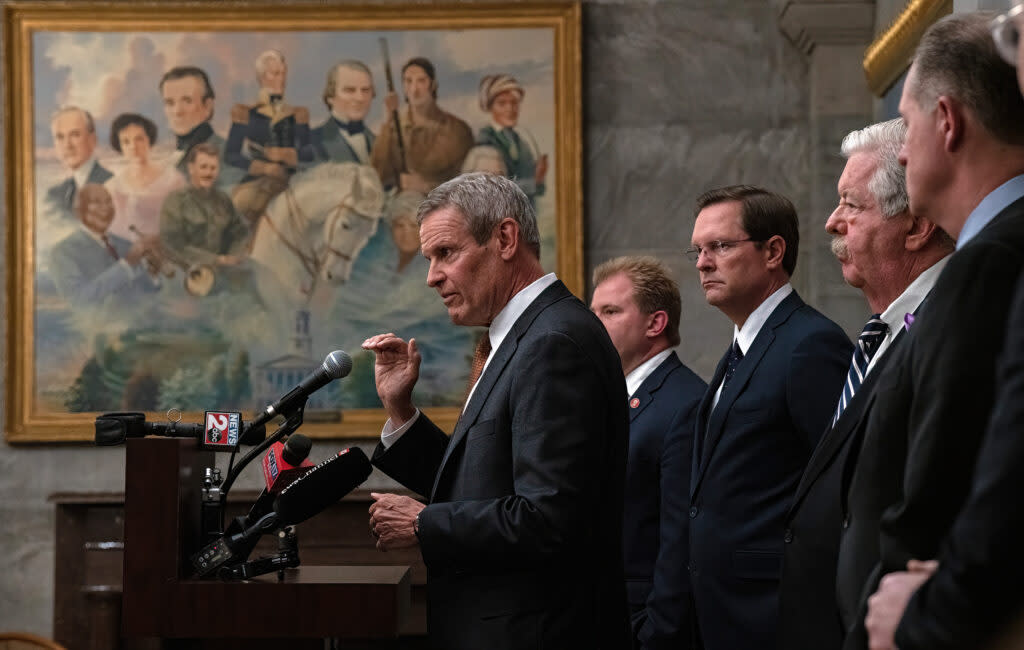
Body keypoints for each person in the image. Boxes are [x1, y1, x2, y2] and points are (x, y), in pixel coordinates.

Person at [363, 172, 629, 649]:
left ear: (505, 239)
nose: (431, 277)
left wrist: (424, 523)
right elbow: (480, 485)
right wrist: (401, 412)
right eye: (429, 259)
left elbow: (548, 520)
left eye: (446, 253)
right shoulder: (519, 336)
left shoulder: (553, 342)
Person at [831, 11, 1024, 650]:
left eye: (907, 126)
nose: (904, 150)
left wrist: (915, 619)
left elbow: (953, 487)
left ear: (947, 122)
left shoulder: (991, 261)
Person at [777, 119, 953, 650]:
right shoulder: (881, 334)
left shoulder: (947, 327)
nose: (832, 222)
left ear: (917, 225)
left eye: (852, 205)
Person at [686, 185, 852, 650]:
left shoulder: (810, 344)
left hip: (775, 614)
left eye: (719, 246)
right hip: (721, 614)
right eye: (698, 250)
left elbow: (840, 490)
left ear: (773, 250)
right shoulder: (741, 348)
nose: (702, 263)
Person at [590, 255, 706, 650]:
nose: (594, 324)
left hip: (642, 627)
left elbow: (680, 541)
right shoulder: (610, 397)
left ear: (655, 323)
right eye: (594, 312)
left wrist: (655, 635)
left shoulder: (684, 403)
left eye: (609, 311)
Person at [225, 49, 313, 221]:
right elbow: (231, 155)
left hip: (294, 179)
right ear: (263, 77)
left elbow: (309, 152)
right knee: (243, 207)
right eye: (276, 73)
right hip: (259, 181)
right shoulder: (245, 113)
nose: (282, 79)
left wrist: (288, 155)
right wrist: (265, 168)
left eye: (283, 73)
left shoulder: (298, 114)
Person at [370, 57, 474, 193]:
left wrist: (427, 187)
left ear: (433, 84)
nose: (414, 89)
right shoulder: (393, 129)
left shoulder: (457, 129)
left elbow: (468, 182)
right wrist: (388, 121)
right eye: (408, 81)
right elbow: (377, 175)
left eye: (421, 81)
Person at [49, 183, 161, 308]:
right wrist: (127, 264)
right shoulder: (63, 252)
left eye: (109, 201)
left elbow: (146, 294)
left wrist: (152, 274)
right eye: (97, 202)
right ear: (79, 210)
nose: (106, 208)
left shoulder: (126, 245)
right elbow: (78, 301)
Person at [159, 142, 250, 277]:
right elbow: (173, 245)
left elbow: (241, 231)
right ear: (191, 168)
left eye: (213, 168)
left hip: (222, 272)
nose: (208, 173)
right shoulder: (175, 201)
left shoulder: (223, 199)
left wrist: (233, 256)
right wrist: (215, 260)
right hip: (186, 273)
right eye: (203, 167)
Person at [159, 65, 242, 190]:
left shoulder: (229, 156)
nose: (177, 111)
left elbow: (230, 205)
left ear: (207, 106)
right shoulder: (166, 158)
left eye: (187, 101)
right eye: (170, 103)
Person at [104, 112, 185, 240]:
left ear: (149, 140)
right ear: (120, 147)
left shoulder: (172, 179)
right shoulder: (113, 187)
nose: (133, 147)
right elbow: (115, 233)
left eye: (139, 139)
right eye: (126, 142)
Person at [475, 74, 548, 208]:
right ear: (491, 107)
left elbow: (538, 189)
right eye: (502, 103)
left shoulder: (522, 142)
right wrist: (534, 182)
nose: (510, 109)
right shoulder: (484, 142)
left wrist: (539, 178)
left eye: (514, 103)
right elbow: (493, 190)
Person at [46, 106, 112, 217]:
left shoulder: (112, 187)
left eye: (75, 135)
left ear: (93, 140)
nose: (67, 145)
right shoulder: (55, 195)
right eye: (60, 137)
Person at [311, 60, 376, 165]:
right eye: (350, 90)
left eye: (366, 90)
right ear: (330, 96)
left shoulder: (381, 144)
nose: (360, 98)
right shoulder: (311, 143)